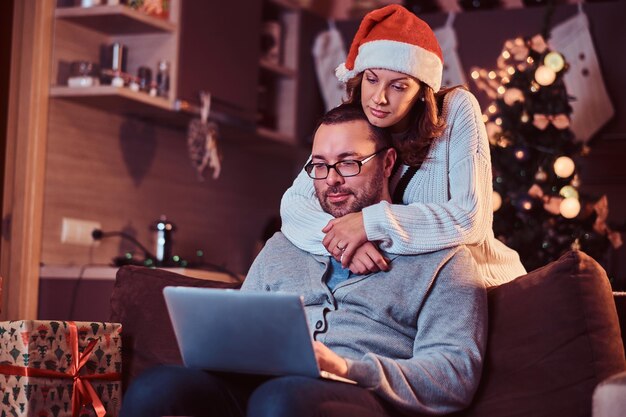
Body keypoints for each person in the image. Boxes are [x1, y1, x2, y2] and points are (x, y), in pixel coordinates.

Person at [119, 104, 487, 417]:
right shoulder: (284, 246)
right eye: (321, 166)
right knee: (157, 388)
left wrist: (346, 368)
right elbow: (240, 332)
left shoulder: (445, 258)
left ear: (388, 162)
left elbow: (454, 376)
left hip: (360, 396)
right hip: (256, 388)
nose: (332, 181)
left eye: (348, 164)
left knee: (279, 401)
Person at [280, 4, 526, 286]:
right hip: (408, 289)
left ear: (422, 92)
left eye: (398, 86)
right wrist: (345, 243)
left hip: (481, 286)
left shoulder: (456, 109)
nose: (379, 98)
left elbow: (469, 218)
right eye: (372, 80)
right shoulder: (359, 120)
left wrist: (368, 224)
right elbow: (293, 205)